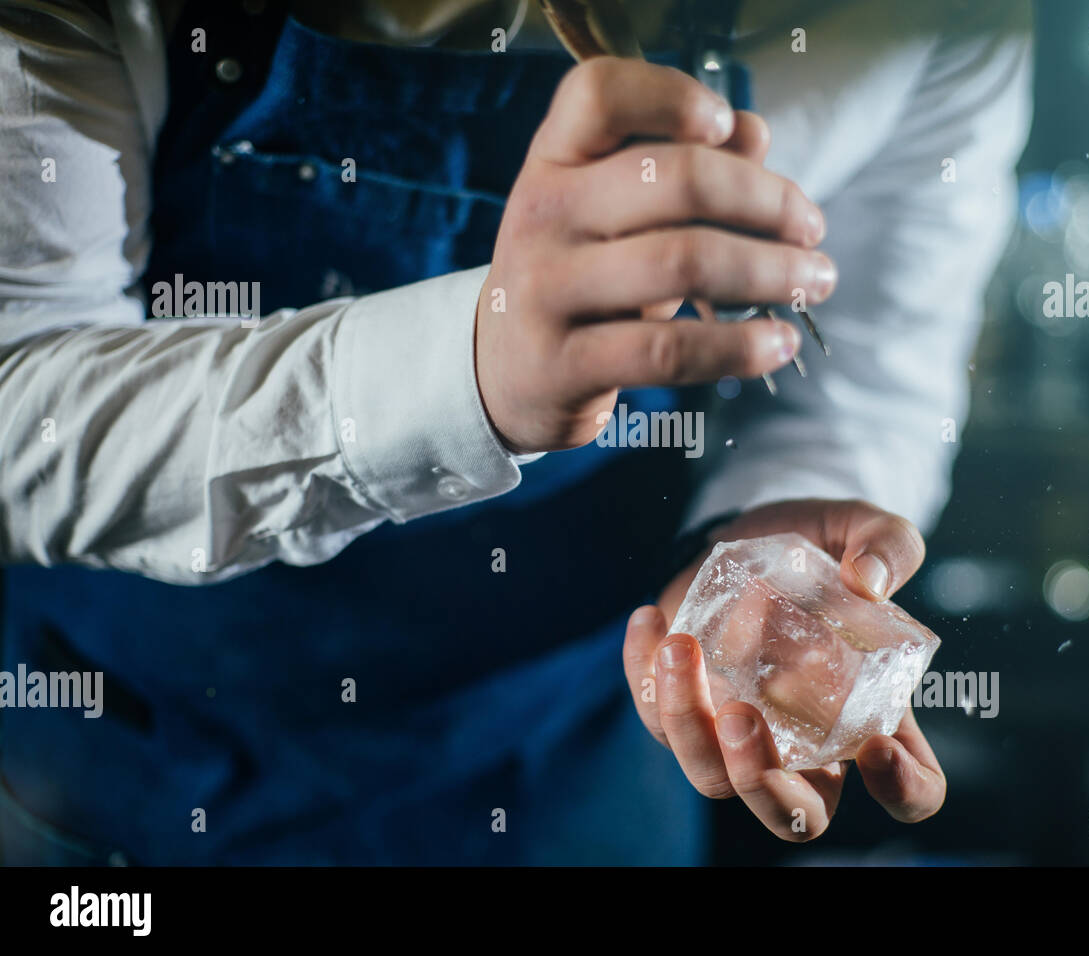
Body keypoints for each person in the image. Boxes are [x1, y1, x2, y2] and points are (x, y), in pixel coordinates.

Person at [0, 0, 1032, 864]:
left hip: (572, 772)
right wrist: (473, 370)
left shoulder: (944, 19)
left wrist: (768, 544)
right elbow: (21, 409)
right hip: (137, 758)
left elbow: (869, 384)